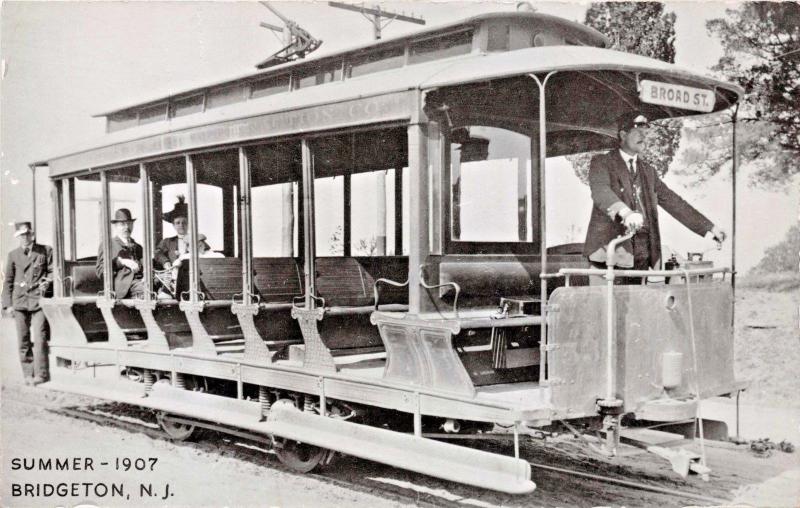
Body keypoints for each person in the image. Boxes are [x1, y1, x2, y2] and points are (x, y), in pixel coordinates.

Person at [583, 112, 726, 284]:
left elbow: (673, 201)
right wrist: (625, 213)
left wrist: (708, 227)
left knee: (639, 305)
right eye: (638, 132)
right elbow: (601, 192)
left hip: (643, 251)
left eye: (646, 133)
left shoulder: (648, 171)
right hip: (609, 253)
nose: (644, 137)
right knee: (607, 308)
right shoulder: (601, 162)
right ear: (623, 134)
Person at [2, 221, 53, 385]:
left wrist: (47, 282)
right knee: (23, 340)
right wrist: (7, 305)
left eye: (27, 234)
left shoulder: (45, 251)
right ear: (18, 237)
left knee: (40, 338)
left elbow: (52, 271)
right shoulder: (13, 255)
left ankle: (41, 374)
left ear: (32, 234)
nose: (25, 238)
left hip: (38, 300)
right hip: (20, 302)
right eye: (21, 236)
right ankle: (28, 374)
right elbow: (8, 281)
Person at [96, 208, 146, 299]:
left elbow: (145, 266)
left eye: (129, 223)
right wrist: (121, 262)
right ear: (115, 226)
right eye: (122, 224)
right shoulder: (107, 245)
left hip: (141, 282)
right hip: (123, 287)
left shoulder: (138, 247)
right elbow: (101, 271)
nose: (127, 227)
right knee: (146, 292)